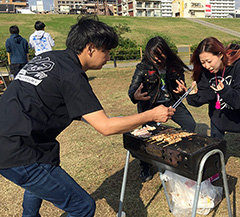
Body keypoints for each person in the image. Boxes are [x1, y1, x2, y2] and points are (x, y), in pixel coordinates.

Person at [0, 17, 175, 217]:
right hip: (19, 151)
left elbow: (48, 100)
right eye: (106, 51)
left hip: (15, 140)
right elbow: (106, 128)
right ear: (90, 48)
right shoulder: (72, 74)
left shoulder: (49, 58)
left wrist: (104, 119)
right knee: (82, 207)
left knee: (40, 178)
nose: (108, 57)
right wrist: (152, 114)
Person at [186, 37, 240, 202]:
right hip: (219, 115)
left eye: (209, 61)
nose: (206, 66)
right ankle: (213, 172)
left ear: (220, 54)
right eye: (202, 63)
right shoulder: (206, 71)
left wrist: (224, 91)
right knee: (214, 145)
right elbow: (205, 95)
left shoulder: (239, 65)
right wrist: (192, 96)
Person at [128, 36, 196, 182]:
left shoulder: (174, 65)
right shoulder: (143, 68)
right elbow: (132, 90)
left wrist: (180, 90)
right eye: (154, 56)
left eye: (161, 55)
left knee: (190, 125)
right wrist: (135, 96)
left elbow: (180, 83)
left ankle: (178, 156)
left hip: (172, 102)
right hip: (151, 106)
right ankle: (145, 165)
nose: (158, 59)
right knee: (146, 135)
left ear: (166, 52)